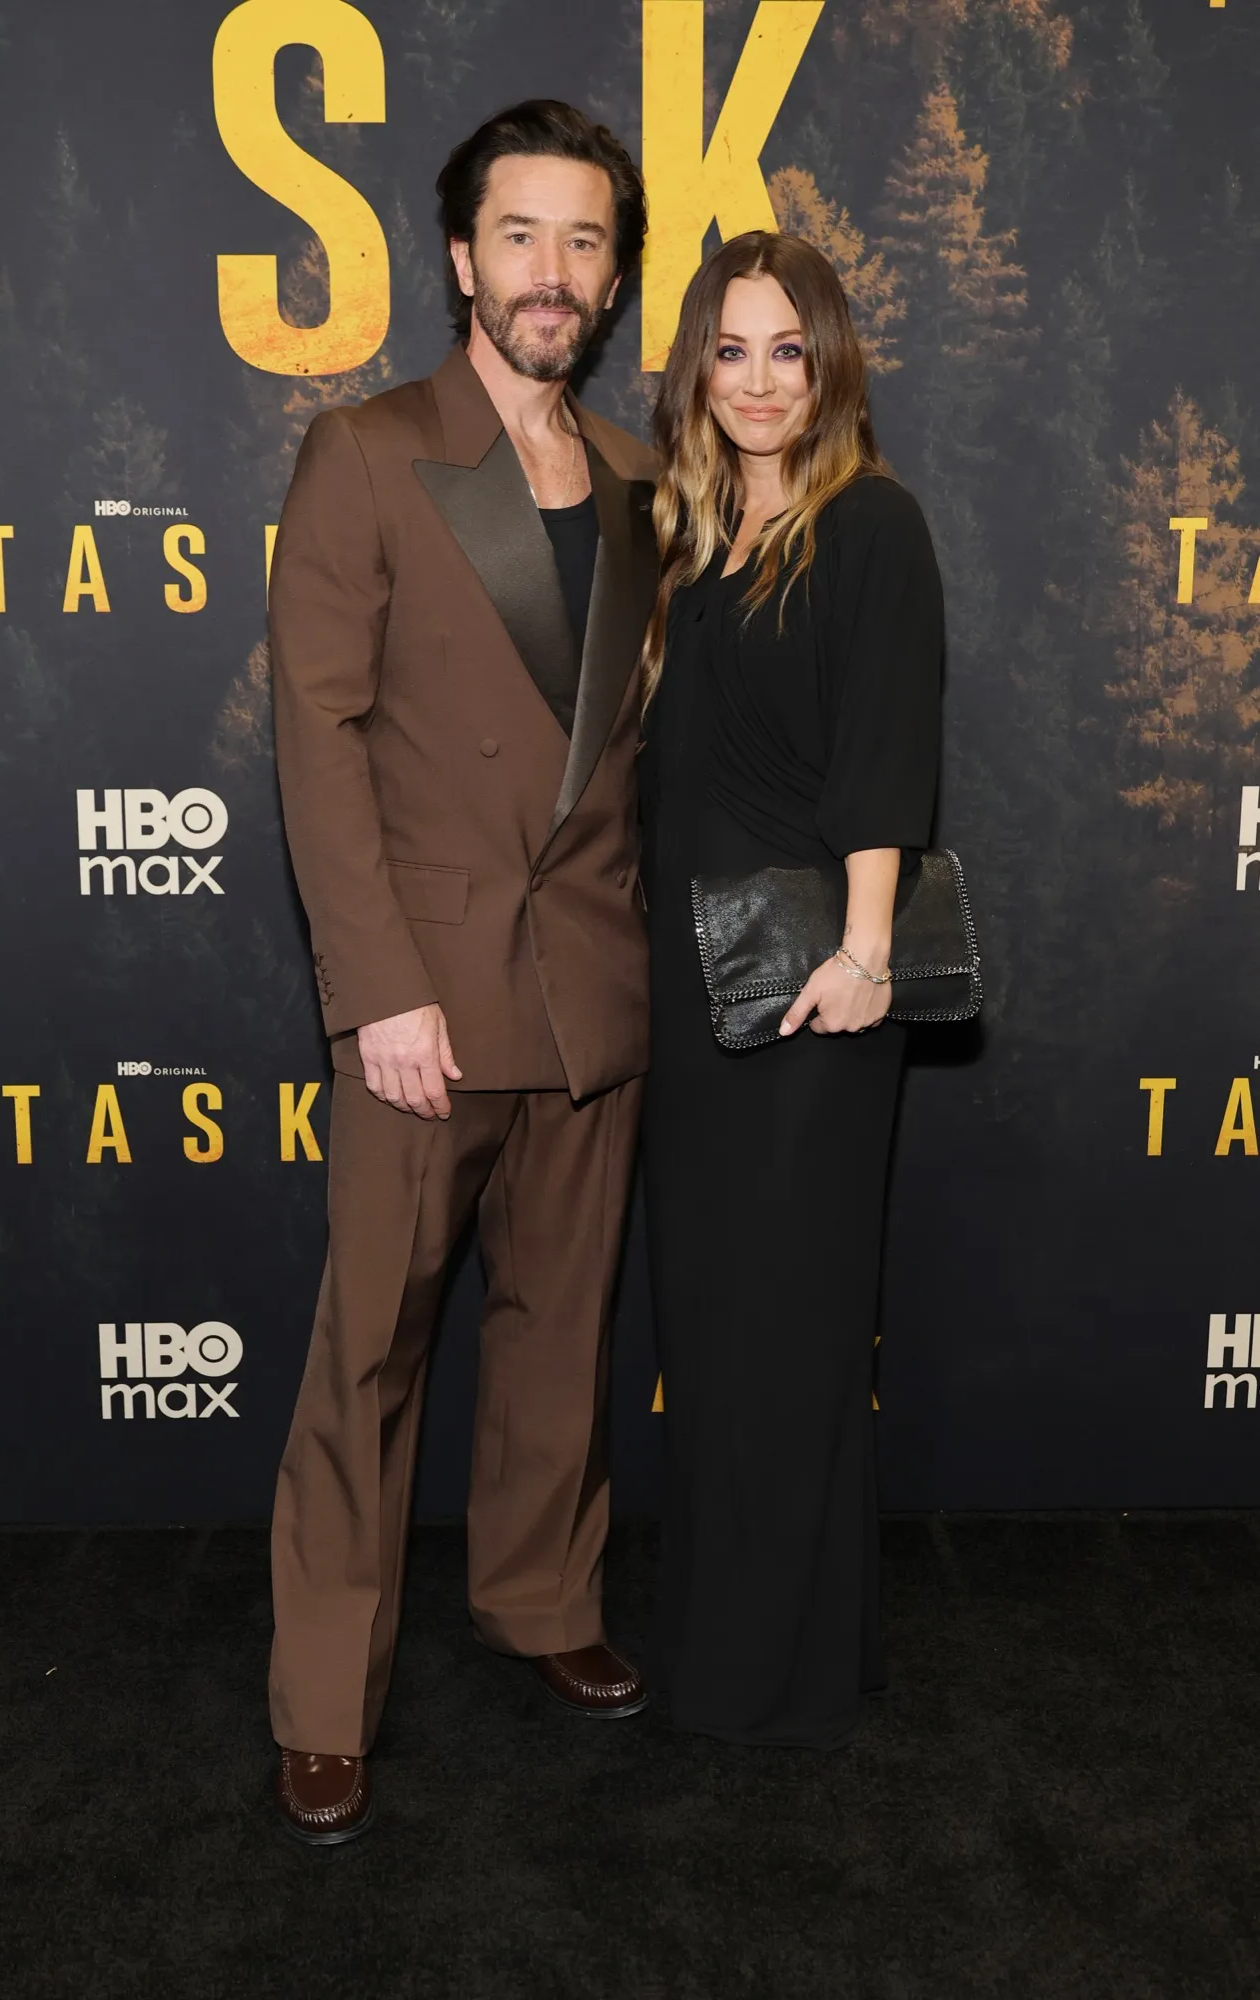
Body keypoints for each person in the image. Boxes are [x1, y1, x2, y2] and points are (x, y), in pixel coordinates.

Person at [266, 101, 659, 1844]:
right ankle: (322, 1702)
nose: (550, 271)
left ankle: (542, 1599)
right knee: (369, 1357)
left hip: (590, 989)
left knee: (561, 1331)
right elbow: (318, 735)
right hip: (426, 1001)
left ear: (612, 276)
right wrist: (377, 988)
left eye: (583, 240)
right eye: (519, 235)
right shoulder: (365, 454)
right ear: (458, 260)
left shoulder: (641, 477)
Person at [640, 231, 944, 1747]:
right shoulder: (696, 534)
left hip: (815, 996)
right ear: (699, 367)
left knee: (793, 1328)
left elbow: (888, 751)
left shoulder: (871, 524)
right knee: (710, 1327)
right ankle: (730, 1644)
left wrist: (866, 956)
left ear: (830, 367)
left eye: (789, 351)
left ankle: (784, 1675)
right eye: (733, 349)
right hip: (691, 999)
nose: (760, 382)